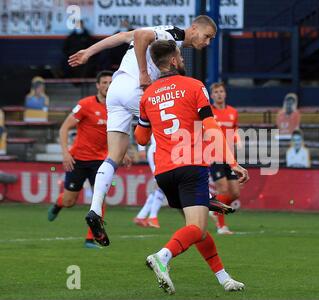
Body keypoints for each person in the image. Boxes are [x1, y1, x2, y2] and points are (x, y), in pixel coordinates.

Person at [67, 16, 219, 245]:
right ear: (194, 28)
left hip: (116, 91)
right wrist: (143, 73)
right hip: (135, 89)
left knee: (114, 156)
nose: (207, 42)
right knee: (172, 129)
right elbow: (140, 36)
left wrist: (89, 52)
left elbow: (121, 37)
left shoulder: (164, 35)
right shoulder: (174, 34)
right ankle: (198, 195)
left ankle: (95, 209)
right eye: (207, 36)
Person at [135, 40, 249, 294]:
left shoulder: (148, 95)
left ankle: (223, 278)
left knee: (196, 230)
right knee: (196, 228)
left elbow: (141, 139)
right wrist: (232, 162)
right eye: (181, 56)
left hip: (164, 172)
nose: (183, 59)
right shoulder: (194, 86)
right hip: (190, 166)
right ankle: (162, 257)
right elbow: (211, 128)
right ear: (174, 60)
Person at [46, 71, 124, 249]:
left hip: (100, 161)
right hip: (78, 160)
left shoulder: (116, 107)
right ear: (97, 85)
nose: (108, 85)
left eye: (111, 82)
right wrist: (66, 153)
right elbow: (64, 128)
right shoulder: (85, 105)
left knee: (100, 198)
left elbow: (119, 134)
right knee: (69, 201)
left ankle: (91, 239)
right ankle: (59, 204)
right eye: (104, 82)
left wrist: (123, 151)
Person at [208, 82, 241, 235]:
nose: (219, 94)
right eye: (216, 92)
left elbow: (234, 133)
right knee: (223, 189)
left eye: (221, 91)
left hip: (229, 157)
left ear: (225, 93)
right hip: (214, 155)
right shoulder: (208, 112)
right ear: (212, 95)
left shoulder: (233, 112)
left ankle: (215, 210)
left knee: (234, 193)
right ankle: (221, 227)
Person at [133, 135, 164, 228]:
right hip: (157, 150)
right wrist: (141, 148)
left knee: (162, 184)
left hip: (163, 150)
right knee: (162, 183)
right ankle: (152, 217)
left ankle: (142, 216)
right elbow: (143, 126)